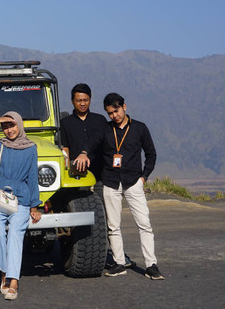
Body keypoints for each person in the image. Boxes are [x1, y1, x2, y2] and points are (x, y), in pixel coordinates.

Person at [73, 93, 164, 280]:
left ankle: (151, 265)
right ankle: (119, 263)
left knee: (144, 224)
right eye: (110, 113)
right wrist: (83, 153)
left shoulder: (140, 128)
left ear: (124, 106)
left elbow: (151, 154)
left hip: (133, 183)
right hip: (111, 183)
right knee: (113, 226)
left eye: (116, 111)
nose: (113, 116)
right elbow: (90, 144)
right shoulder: (105, 129)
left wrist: (144, 177)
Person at [60, 83, 133, 268]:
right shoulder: (65, 123)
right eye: (78, 100)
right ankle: (78, 253)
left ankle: (116, 257)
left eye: (85, 100)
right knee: (79, 217)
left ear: (90, 100)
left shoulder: (100, 120)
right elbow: (65, 148)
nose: (82, 104)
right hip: (76, 178)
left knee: (108, 217)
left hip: (101, 176)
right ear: (72, 101)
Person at [0, 111, 42, 300]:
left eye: (12, 125)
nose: (9, 130)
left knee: (15, 232)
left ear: (20, 125)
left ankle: (12, 280)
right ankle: (4, 271)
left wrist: (34, 206)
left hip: (21, 198)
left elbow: (32, 177)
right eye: (5, 127)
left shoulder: (30, 148)